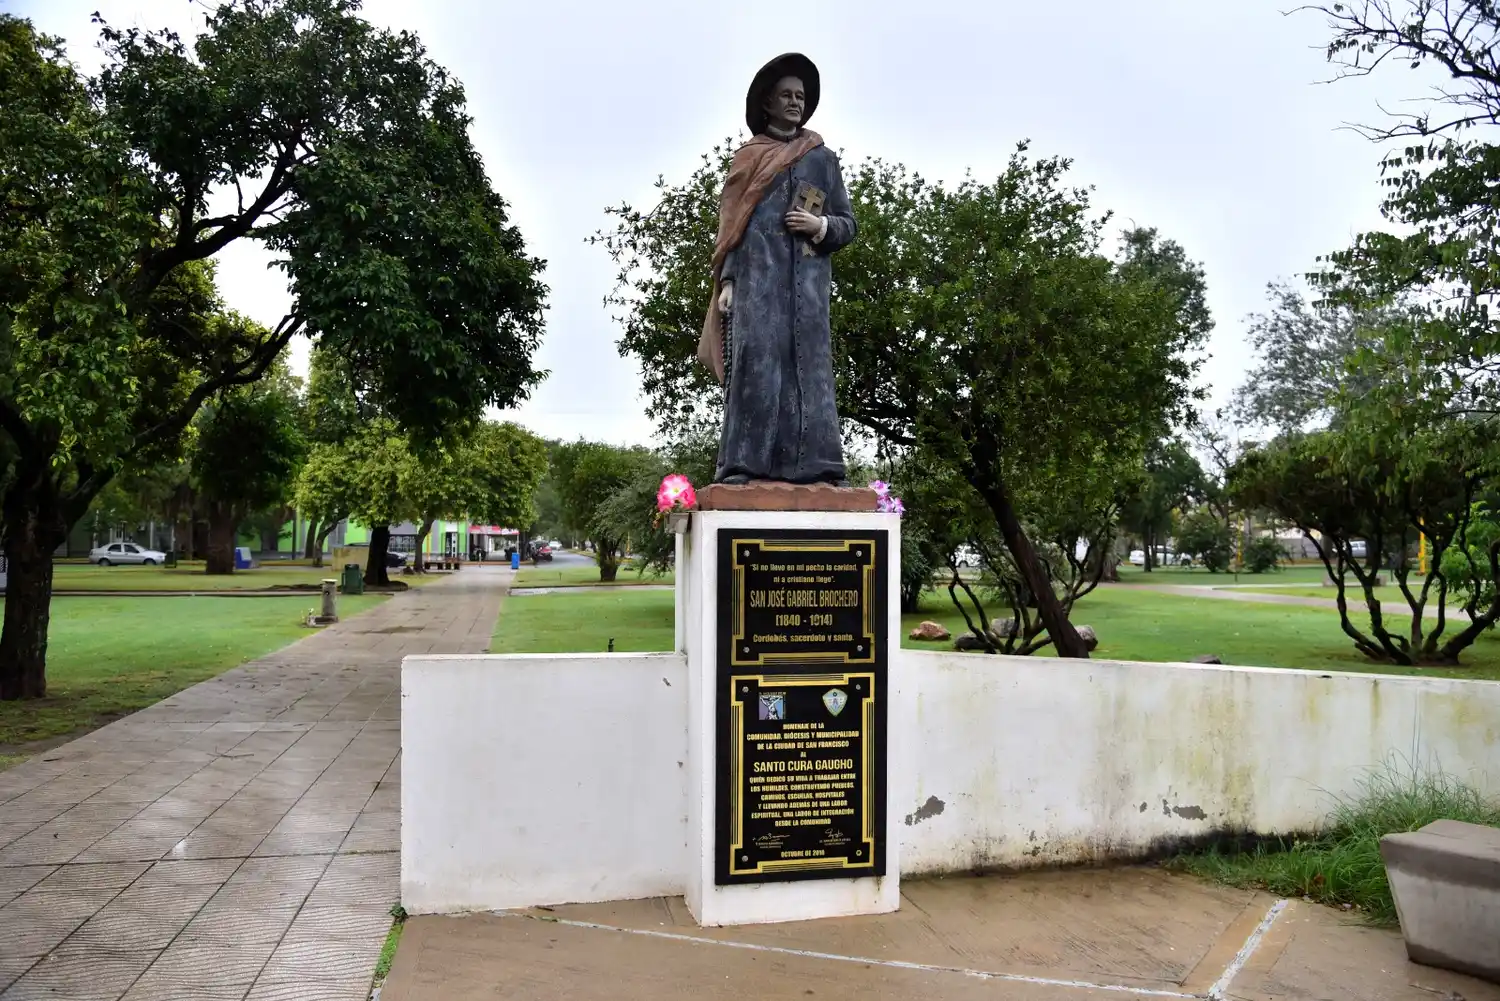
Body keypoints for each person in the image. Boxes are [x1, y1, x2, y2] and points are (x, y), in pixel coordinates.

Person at [696, 53, 856, 485]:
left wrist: (819, 225)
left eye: (800, 96)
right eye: (785, 95)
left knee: (811, 372)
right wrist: (728, 280)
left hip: (808, 291)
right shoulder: (748, 158)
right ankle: (743, 465)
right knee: (757, 369)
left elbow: (848, 224)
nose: (794, 102)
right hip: (756, 286)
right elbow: (732, 228)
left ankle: (819, 466)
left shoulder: (823, 159)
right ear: (767, 103)